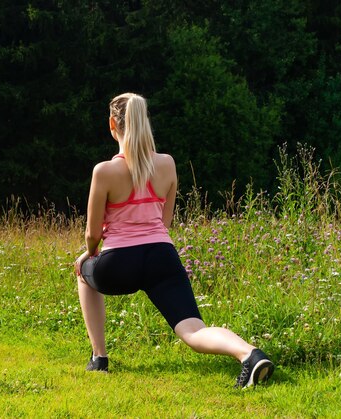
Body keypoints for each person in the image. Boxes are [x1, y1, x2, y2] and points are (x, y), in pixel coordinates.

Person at [74, 92, 274, 388]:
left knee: (82, 272)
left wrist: (87, 255)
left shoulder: (104, 171)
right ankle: (250, 354)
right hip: (162, 258)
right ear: (146, 123)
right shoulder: (167, 164)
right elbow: (164, 223)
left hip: (117, 265)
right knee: (193, 330)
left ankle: (99, 358)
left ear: (112, 125)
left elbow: (92, 234)